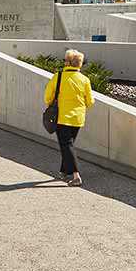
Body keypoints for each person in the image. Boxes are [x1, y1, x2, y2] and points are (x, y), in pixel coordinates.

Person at [44, 48, 95, 185]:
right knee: (68, 145)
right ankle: (64, 171)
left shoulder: (58, 77)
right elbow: (90, 101)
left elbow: (48, 97)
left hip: (62, 117)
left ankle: (76, 175)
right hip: (78, 118)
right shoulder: (85, 80)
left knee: (66, 145)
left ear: (67, 63)